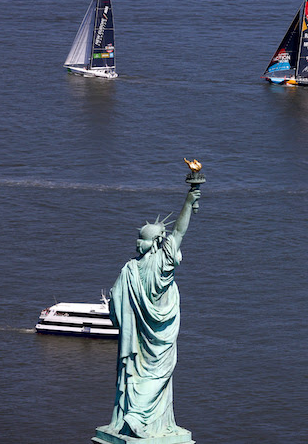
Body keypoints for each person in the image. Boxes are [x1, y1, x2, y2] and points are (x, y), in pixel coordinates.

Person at [106, 188, 200, 438]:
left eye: (142, 240)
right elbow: (179, 231)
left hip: (138, 334)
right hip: (162, 332)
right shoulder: (164, 263)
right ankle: (139, 417)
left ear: (154, 242)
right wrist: (189, 202)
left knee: (138, 372)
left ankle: (136, 416)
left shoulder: (130, 269)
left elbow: (115, 301)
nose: (138, 243)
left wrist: (120, 316)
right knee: (159, 372)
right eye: (138, 239)